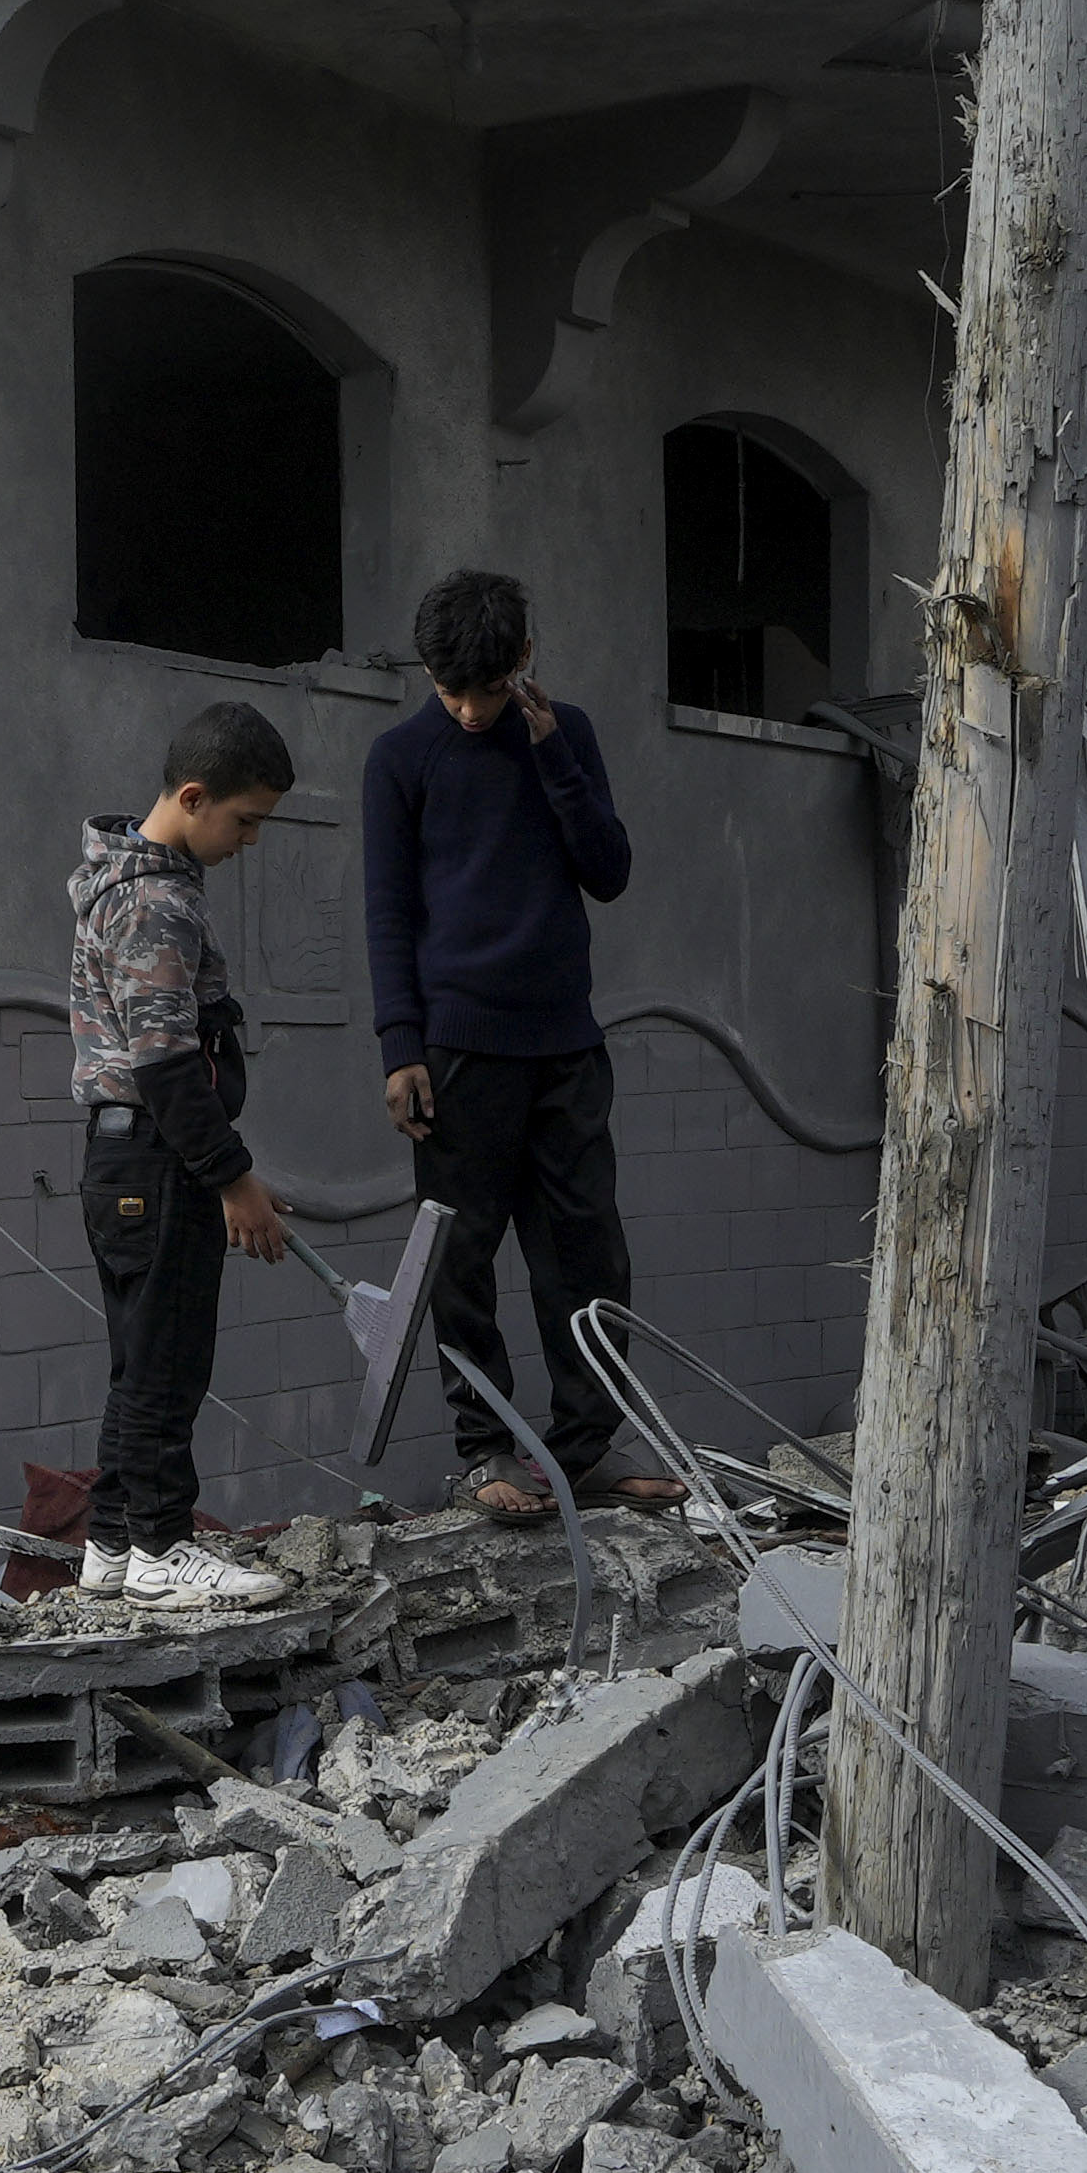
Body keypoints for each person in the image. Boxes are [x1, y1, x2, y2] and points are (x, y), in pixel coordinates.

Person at [360, 568, 664, 1518]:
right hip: (456, 1051)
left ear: (522, 662)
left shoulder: (562, 734)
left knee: (587, 1253)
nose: (466, 709)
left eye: (484, 691)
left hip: (566, 1042)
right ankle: (484, 1448)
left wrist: (551, 758)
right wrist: (399, 1046)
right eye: (449, 691)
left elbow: (609, 872)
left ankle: (583, 1447)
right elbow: (388, 910)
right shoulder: (401, 757)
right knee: (464, 1260)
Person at [67, 700, 303, 1597]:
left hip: (131, 1159)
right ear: (196, 797)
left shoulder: (130, 886)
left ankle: (114, 1545)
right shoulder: (155, 903)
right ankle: (164, 1552)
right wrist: (231, 1178)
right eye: (244, 821)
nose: (248, 841)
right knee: (166, 1362)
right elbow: (166, 1067)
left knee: (140, 1360)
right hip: (155, 1160)